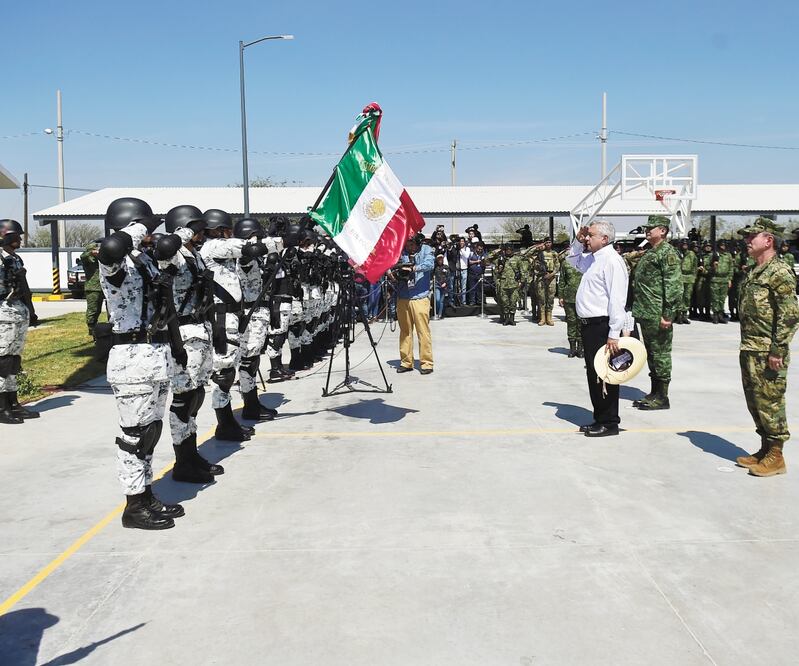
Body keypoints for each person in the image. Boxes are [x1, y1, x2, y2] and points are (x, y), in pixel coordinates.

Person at [97, 198, 185, 529]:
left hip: (155, 358)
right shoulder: (115, 262)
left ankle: (146, 495)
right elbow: (110, 248)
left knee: (151, 431)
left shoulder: (143, 261)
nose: (151, 234)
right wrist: (140, 226)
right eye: (145, 227)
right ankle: (133, 505)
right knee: (134, 435)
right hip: (131, 361)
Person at [158, 205, 223, 484]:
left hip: (201, 328)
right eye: (197, 229)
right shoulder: (174, 254)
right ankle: (182, 461)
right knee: (184, 399)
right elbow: (163, 252)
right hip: (184, 331)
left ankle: (191, 452)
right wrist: (184, 234)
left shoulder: (195, 255)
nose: (201, 234)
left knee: (196, 395)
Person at [734, 217, 799, 476]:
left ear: (768, 240)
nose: (747, 241)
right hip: (750, 347)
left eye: (752, 237)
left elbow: (790, 314)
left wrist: (778, 350)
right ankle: (764, 447)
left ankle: (777, 455)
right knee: (755, 402)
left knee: (771, 402)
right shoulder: (755, 271)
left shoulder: (779, 272)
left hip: (767, 351)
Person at [567, 220, 629, 437]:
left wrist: (614, 333)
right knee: (594, 374)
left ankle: (610, 422)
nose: (587, 238)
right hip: (590, 326)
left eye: (590, 235)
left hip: (602, 326)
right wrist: (577, 239)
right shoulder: (595, 259)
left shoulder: (612, 261)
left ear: (604, 238)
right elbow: (572, 260)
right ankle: (599, 417)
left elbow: (617, 300)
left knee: (606, 375)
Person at [198, 209, 256, 442]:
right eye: (227, 229)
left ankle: (228, 421)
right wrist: (279, 242)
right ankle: (224, 423)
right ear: (217, 230)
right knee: (223, 373)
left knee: (229, 370)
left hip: (232, 316)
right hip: (222, 319)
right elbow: (248, 248)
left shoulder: (221, 249)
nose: (230, 233)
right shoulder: (213, 247)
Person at [630, 215, 683, 410]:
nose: (648, 230)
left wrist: (668, 314)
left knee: (660, 353)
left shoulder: (667, 253)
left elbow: (674, 286)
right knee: (652, 353)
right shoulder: (652, 252)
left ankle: (663, 396)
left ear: (663, 231)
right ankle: (654, 391)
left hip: (658, 312)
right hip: (646, 311)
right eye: (647, 227)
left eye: (652, 227)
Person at [0, 219, 39, 424]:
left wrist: (31, 311)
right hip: (3, 314)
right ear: (5, 236)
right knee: (3, 360)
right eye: (17, 235)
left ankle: (13, 403)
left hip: (17, 312)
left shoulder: (15, 258)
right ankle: (2, 406)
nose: (20, 239)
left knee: (14, 360)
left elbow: (24, 286)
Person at [391, 234, 434, 374]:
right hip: (403, 297)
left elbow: (430, 264)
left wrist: (413, 268)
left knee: (423, 332)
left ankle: (426, 363)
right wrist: (393, 272)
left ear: (418, 243)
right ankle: (406, 361)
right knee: (405, 332)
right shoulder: (400, 251)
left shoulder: (426, 249)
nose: (408, 247)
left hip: (420, 298)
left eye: (411, 244)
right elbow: (392, 264)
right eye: (407, 244)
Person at [557, 242, 584, 357]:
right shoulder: (566, 263)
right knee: (571, 322)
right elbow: (562, 280)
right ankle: (572, 348)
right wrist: (561, 296)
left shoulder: (587, 262)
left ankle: (580, 348)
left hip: (583, 298)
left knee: (581, 323)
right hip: (569, 297)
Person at [490, 244, 527, 326]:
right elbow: (488, 259)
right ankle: (506, 319)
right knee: (505, 302)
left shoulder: (517, 259)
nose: (508, 251)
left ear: (512, 250)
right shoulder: (500, 259)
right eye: (507, 249)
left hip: (514, 284)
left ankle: (512, 318)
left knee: (513, 302)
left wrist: (522, 282)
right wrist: (498, 251)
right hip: (503, 284)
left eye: (510, 249)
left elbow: (522, 271)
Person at [80, 240, 105, 338]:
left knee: (102, 309)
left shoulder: (101, 260)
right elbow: (83, 256)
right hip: (93, 289)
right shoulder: (87, 260)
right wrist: (91, 252)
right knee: (93, 310)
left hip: (104, 287)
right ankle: (92, 328)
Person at [533, 237, 560, 326]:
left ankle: (549, 317)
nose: (548, 244)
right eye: (546, 242)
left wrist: (551, 275)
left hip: (551, 278)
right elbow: (534, 265)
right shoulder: (539, 254)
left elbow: (557, 266)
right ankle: (542, 318)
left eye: (549, 242)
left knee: (550, 298)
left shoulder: (554, 253)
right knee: (541, 298)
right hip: (541, 277)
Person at [709, 239, 733, 323]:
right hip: (715, 279)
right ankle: (715, 315)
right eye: (722, 245)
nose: (723, 246)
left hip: (725, 279)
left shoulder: (728, 255)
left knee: (722, 298)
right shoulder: (714, 254)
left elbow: (731, 268)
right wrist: (713, 267)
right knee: (715, 298)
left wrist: (730, 279)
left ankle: (720, 314)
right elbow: (707, 268)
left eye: (724, 245)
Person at [677, 238, 697, 325]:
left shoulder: (692, 254)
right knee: (679, 297)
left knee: (687, 297)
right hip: (679, 277)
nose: (685, 245)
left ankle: (685, 315)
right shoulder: (677, 253)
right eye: (683, 244)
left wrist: (694, 277)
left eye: (686, 244)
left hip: (689, 278)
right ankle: (679, 316)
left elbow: (694, 266)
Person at [466, 241, 487, 306]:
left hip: (480, 274)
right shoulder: (472, 253)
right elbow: (469, 262)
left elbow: (487, 263)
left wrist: (483, 262)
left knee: (479, 289)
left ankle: (479, 301)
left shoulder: (484, 254)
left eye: (481, 249)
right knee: (472, 288)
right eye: (479, 249)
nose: (480, 250)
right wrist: (477, 261)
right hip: (472, 274)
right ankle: (472, 301)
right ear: (476, 247)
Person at [432, 254, 450, 320]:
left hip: (444, 286)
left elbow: (448, 276)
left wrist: (445, 283)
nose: (440, 260)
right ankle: (436, 312)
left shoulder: (446, 267)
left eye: (441, 259)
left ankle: (440, 314)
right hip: (437, 285)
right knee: (437, 299)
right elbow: (432, 275)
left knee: (441, 301)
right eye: (439, 259)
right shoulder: (435, 267)